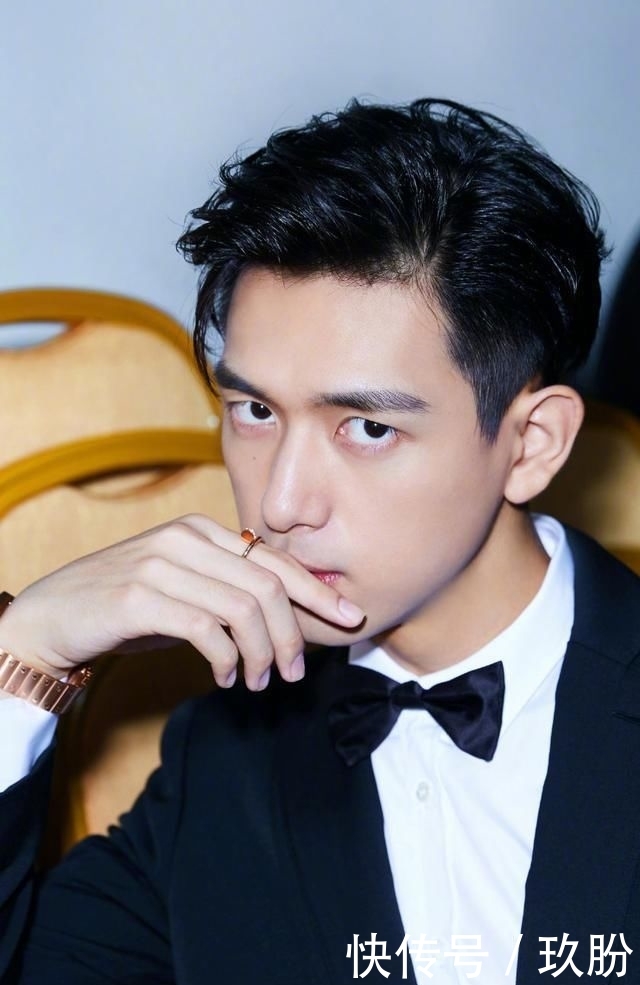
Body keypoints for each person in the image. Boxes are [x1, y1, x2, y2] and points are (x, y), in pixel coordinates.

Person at [0, 97, 638, 985]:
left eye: (367, 428)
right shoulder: (224, 760)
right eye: (254, 411)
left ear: (530, 444)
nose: (282, 501)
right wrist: (24, 648)